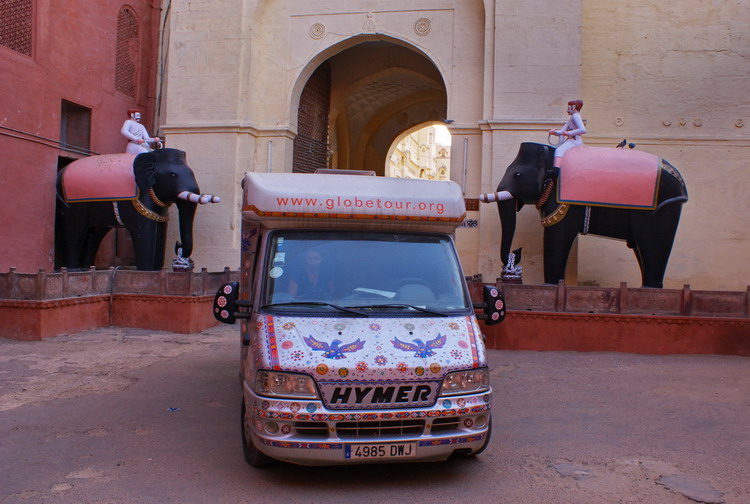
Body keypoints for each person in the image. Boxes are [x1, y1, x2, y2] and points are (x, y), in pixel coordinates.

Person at [548, 99, 586, 168]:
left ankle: (556, 170)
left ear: (573, 107)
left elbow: (583, 130)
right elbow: (562, 131)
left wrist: (569, 133)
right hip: (570, 140)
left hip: (575, 140)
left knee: (559, 151)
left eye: (569, 108)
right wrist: (554, 132)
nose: (567, 110)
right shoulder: (572, 117)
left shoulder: (575, 116)